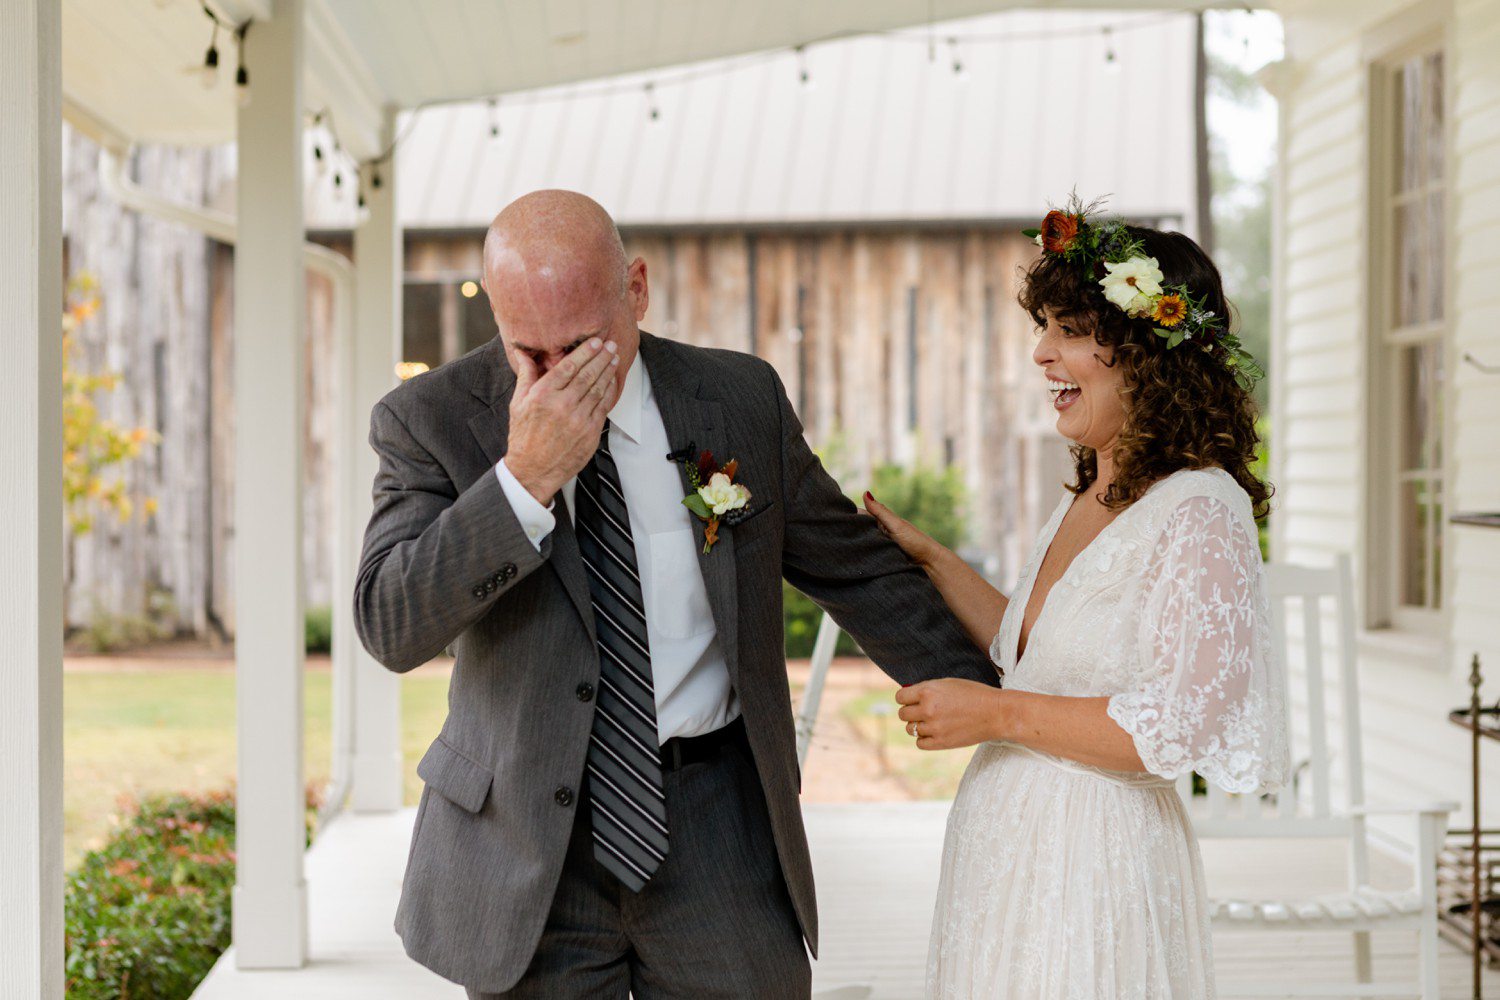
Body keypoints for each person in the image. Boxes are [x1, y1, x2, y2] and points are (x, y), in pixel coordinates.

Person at [352, 189, 998, 999]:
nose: (560, 378)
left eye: (584, 345)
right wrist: (524, 481)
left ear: (637, 290)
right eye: (530, 352)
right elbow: (390, 623)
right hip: (525, 841)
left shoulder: (738, 399)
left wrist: (1012, 705)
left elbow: (857, 569)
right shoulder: (430, 419)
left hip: (716, 823)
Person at [864, 196, 1288, 999]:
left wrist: (994, 716)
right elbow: (1041, 659)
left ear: (1146, 351)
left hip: (1098, 863)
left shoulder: (1201, 508)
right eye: (1043, 327)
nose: (1040, 354)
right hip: (1006, 855)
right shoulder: (1090, 492)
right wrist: (932, 561)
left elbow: (1174, 726)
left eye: (1067, 329)